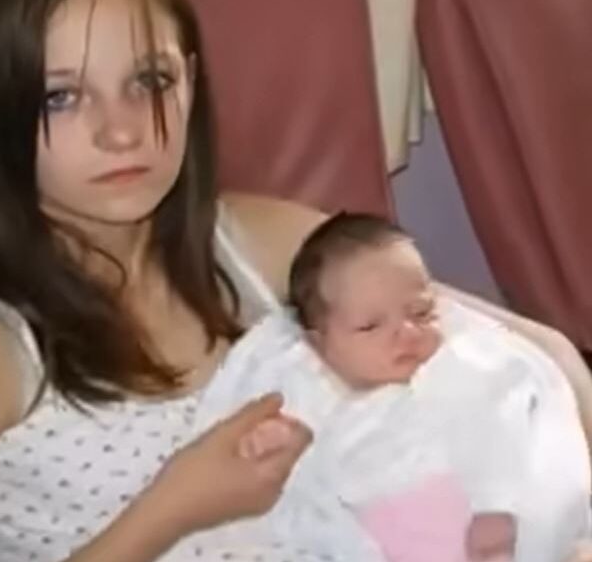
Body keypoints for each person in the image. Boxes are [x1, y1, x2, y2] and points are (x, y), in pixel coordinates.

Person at [0, 0, 592, 561]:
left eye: (149, 82)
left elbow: (543, 357)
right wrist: (172, 509)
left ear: (189, 81)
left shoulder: (254, 245)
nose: (121, 132)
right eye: (61, 97)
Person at [194, 212, 590, 562]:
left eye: (421, 312)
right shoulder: (313, 389)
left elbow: (512, 423)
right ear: (320, 344)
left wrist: (499, 504)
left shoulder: (457, 366)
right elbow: (286, 469)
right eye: (370, 326)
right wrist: (264, 441)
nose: (407, 333)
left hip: (494, 522)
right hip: (395, 528)